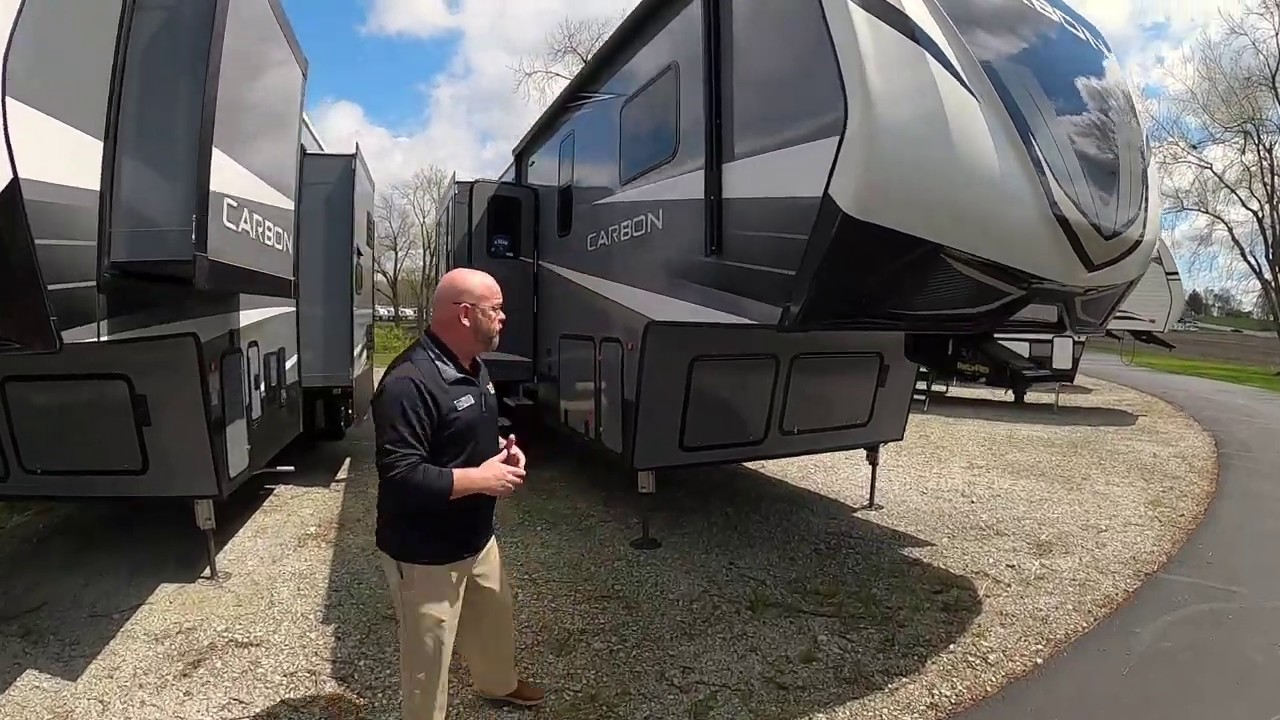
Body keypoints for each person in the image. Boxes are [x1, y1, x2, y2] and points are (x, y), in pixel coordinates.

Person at [370, 267, 545, 719]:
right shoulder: (408, 383)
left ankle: (498, 684)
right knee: (428, 657)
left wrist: (504, 450)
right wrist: (481, 480)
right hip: (425, 554)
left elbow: (469, 431)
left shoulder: (473, 365)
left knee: (494, 620)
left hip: (477, 538)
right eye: (495, 308)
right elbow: (401, 476)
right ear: (465, 314)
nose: (504, 317)